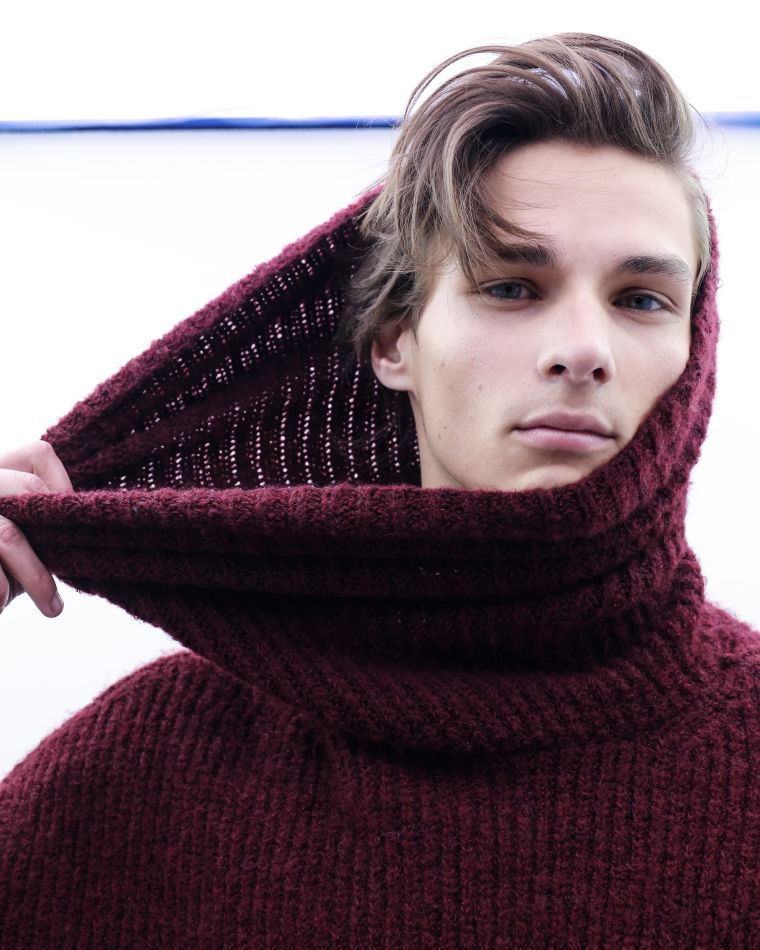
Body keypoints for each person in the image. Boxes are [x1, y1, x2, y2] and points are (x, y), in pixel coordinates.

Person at [0, 32, 757, 948]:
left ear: (693, 348)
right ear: (395, 340)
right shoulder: (151, 765)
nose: (583, 349)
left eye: (641, 299)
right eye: (511, 287)